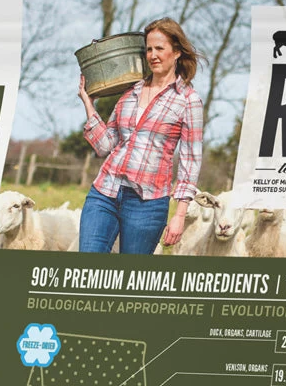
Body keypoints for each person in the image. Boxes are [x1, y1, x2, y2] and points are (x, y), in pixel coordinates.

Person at [77, 18, 203, 254]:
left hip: (148, 204)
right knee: (86, 267)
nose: (153, 55)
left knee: (131, 274)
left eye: (159, 48)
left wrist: (180, 215)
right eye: (148, 49)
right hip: (105, 192)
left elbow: (191, 161)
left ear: (176, 52)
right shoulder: (130, 92)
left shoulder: (188, 100)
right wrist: (89, 104)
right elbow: (105, 146)